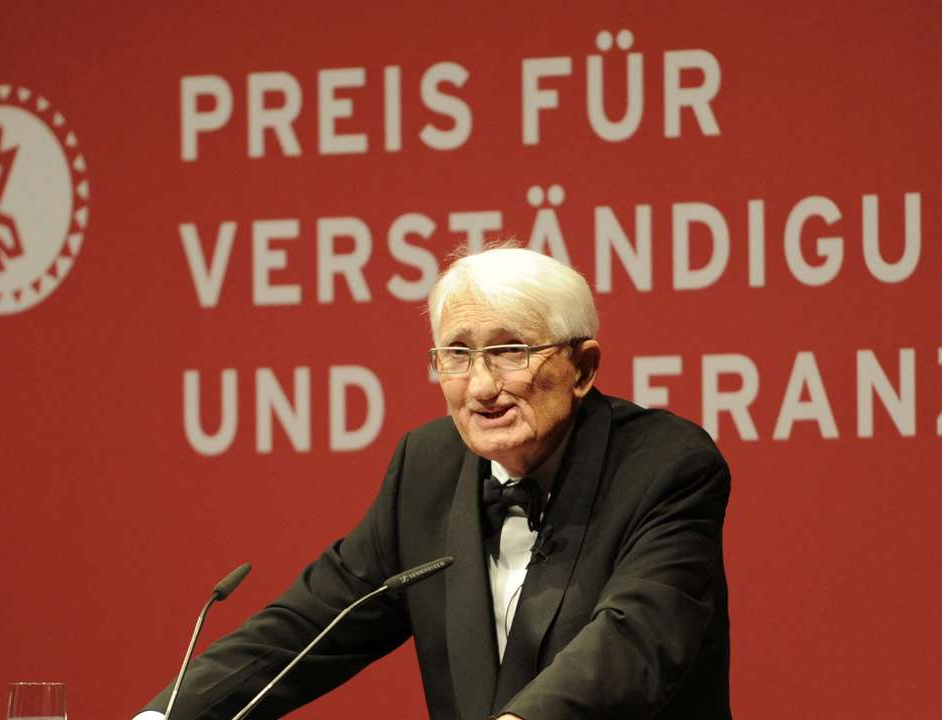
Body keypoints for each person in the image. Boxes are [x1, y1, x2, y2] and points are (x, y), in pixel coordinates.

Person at [135, 244, 731, 719]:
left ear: (582, 368)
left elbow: (635, 642)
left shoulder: (665, 465)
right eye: (457, 355)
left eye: (508, 352)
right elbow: (310, 628)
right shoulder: (427, 466)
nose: (480, 387)